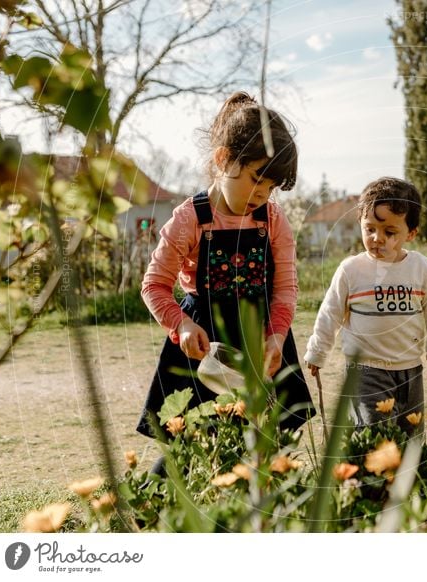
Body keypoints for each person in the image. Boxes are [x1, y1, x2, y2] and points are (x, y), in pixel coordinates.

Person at [137, 91, 314, 445]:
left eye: (271, 187)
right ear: (223, 159)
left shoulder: (273, 220)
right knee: (195, 445)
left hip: (261, 339)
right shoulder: (190, 219)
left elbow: (285, 288)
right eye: (255, 179)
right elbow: (154, 286)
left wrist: (277, 335)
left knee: (267, 441)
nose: (263, 194)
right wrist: (181, 324)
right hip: (205, 346)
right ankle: (152, 500)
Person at [304, 177, 427, 435]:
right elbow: (331, 313)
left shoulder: (421, 268)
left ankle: (409, 475)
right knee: (375, 432)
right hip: (366, 370)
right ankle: (367, 476)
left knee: (411, 434)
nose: (377, 238)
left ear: (411, 233)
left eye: (389, 232)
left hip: (410, 369)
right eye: (369, 229)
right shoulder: (351, 270)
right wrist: (318, 352)